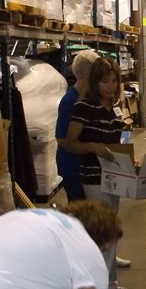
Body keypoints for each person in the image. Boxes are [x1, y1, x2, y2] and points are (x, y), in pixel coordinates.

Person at [65, 57, 128, 289]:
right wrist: (91, 146)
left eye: (114, 81)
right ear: (94, 81)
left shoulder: (114, 105)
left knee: (110, 233)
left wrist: (127, 152)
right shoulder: (84, 107)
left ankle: (109, 282)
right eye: (104, 81)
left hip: (115, 177)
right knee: (103, 236)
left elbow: (120, 137)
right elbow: (70, 142)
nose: (110, 87)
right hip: (94, 177)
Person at [56, 49, 99, 202]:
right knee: (80, 210)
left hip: (85, 166)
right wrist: (91, 147)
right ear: (83, 75)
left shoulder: (89, 99)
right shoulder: (70, 101)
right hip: (73, 166)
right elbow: (62, 139)